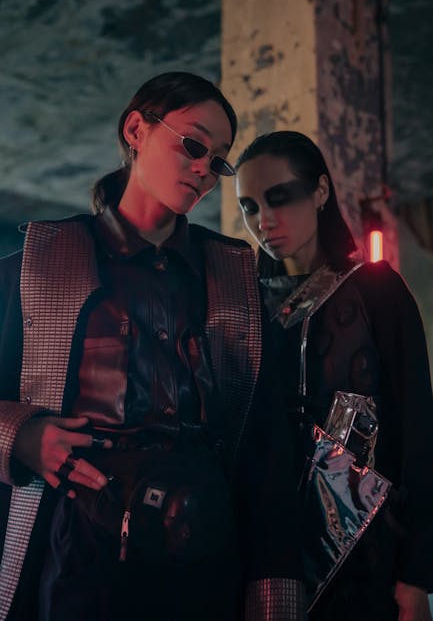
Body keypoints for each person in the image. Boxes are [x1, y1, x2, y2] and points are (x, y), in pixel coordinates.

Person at [0, 74, 306, 621]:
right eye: (193, 144)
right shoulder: (41, 263)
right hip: (79, 562)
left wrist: (275, 600)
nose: (204, 170)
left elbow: (266, 450)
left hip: (207, 562)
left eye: (218, 160)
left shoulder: (234, 277)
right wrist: (19, 436)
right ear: (136, 130)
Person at [235, 130, 433, 621]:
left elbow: (418, 433)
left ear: (320, 190)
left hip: (367, 551)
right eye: (249, 206)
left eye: (280, 197)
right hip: (264, 550)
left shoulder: (377, 290)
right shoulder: (243, 303)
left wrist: (416, 576)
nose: (264, 220)